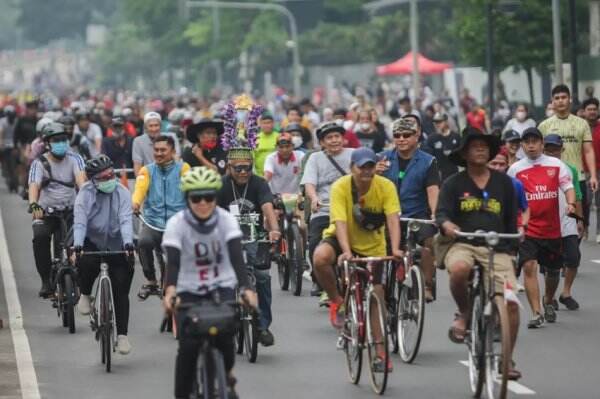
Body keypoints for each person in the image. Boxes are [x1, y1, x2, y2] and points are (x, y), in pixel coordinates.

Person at [162, 167, 258, 399]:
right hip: (187, 289)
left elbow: (236, 257)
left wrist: (246, 288)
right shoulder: (176, 224)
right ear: (187, 199)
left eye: (209, 197)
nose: (203, 203)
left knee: (225, 338)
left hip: (220, 287)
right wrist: (170, 291)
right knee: (188, 348)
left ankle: (227, 374)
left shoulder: (226, 220)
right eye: (196, 198)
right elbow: (173, 263)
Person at [436, 129, 522, 380]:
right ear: (464, 153)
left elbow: (509, 220)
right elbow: (441, 213)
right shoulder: (454, 183)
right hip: (463, 243)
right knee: (460, 270)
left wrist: (514, 242)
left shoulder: (504, 183)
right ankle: (464, 312)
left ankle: (507, 360)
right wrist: (448, 225)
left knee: (511, 304)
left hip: (497, 246)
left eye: (485, 146)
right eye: (475, 146)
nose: (481, 149)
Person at [312, 147, 402, 371]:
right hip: (341, 240)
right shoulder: (341, 186)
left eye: (370, 166)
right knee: (320, 258)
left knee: (377, 296)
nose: (366, 171)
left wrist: (397, 248)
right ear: (352, 167)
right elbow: (340, 221)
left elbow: (392, 219)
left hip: (373, 246)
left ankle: (381, 354)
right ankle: (337, 301)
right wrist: (346, 251)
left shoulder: (386, 186)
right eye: (361, 167)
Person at [507, 127, 576, 328]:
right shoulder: (516, 169)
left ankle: (548, 300)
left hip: (553, 229)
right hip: (528, 229)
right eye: (526, 141)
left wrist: (571, 203)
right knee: (529, 266)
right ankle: (536, 313)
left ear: (542, 143)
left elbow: (568, 187)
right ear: (522, 145)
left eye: (534, 141)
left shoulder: (556, 165)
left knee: (553, 271)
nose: (530, 145)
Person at [217, 146, 280, 347]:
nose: (243, 172)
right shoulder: (221, 185)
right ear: (229, 168)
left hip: (255, 236)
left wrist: (274, 229)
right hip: (226, 237)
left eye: (247, 168)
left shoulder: (259, 183)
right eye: (238, 168)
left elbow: (267, 207)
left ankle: (262, 327)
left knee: (262, 277)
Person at [72, 155, 135, 355]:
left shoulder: (122, 192)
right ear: (93, 180)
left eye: (111, 174)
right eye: (104, 177)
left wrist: (128, 243)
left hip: (117, 243)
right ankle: (85, 294)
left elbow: (126, 220)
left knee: (120, 289)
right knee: (86, 261)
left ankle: (123, 336)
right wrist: (78, 245)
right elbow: (80, 222)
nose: (110, 179)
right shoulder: (85, 194)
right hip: (92, 241)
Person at [377, 118, 440, 301]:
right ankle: (379, 285)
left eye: (406, 135)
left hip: (416, 215)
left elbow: (433, 190)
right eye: (397, 135)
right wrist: (373, 173)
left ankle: (427, 285)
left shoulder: (428, 161)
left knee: (430, 242)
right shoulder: (382, 158)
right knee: (380, 249)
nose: (401, 139)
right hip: (388, 215)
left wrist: (435, 214)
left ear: (416, 136)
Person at [28, 122, 86, 297]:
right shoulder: (39, 163)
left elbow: (82, 182)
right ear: (47, 143)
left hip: (70, 211)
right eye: (56, 140)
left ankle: (79, 280)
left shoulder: (76, 159)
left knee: (77, 245)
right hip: (46, 212)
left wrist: (85, 202)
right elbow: (33, 185)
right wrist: (33, 203)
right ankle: (46, 281)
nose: (61, 143)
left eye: (63, 139)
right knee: (40, 238)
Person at [132, 135, 190, 299]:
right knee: (143, 242)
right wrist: (135, 203)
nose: (158, 153)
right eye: (156, 150)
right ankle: (151, 280)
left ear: (172, 151)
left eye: (163, 150)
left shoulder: (183, 169)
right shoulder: (146, 170)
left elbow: (191, 189)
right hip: (153, 223)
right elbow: (139, 189)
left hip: (178, 224)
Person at [300, 122, 354, 299]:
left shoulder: (354, 155)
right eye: (329, 138)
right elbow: (309, 184)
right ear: (322, 142)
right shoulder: (315, 159)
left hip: (351, 211)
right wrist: (314, 198)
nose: (334, 140)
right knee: (315, 244)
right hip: (324, 209)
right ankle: (321, 280)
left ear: (343, 138)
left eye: (337, 136)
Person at [538, 84, 598, 240]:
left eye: (563, 97)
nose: (560, 101)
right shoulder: (544, 126)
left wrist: (593, 175)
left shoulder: (581, 123)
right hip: (551, 181)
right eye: (557, 98)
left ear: (570, 100)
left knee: (579, 223)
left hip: (578, 178)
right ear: (552, 102)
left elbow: (588, 150)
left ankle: (570, 261)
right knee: (554, 221)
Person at [542, 134, 583, 311]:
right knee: (549, 265)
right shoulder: (538, 168)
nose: (552, 152)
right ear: (544, 149)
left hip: (568, 222)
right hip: (546, 224)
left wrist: (580, 221)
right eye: (549, 149)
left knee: (573, 258)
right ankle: (548, 296)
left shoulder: (570, 169)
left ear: (562, 150)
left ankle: (566, 292)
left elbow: (578, 196)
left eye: (556, 149)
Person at [132, 111, 181, 175]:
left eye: (156, 125)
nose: (154, 129)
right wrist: (140, 181)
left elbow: (176, 158)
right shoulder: (138, 141)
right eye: (151, 126)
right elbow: (137, 165)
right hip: (149, 177)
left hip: (170, 174)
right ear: (145, 127)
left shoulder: (171, 137)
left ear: (160, 126)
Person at [581, 98, 600, 242]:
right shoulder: (580, 127)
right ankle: (585, 226)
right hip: (584, 170)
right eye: (589, 109)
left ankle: (599, 230)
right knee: (585, 201)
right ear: (584, 111)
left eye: (594, 109)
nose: (592, 112)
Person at [423, 112, 461, 180]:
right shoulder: (432, 138)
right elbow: (429, 157)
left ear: (446, 121)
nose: (437, 124)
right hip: (439, 176)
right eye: (435, 122)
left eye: (440, 122)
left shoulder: (456, 137)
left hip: (454, 173)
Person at [253, 113, 279, 177]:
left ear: (273, 124)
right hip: (259, 175)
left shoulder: (279, 137)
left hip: (276, 175)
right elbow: (252, 157)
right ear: (260, 124)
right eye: (264, 123)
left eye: (269, 123)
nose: (267, 125)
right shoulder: (255, 138)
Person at [0, 105, 19, 192]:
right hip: (11, 146)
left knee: (11, 165)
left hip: (11, 146)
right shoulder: (16, 121)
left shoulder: (3, 121)